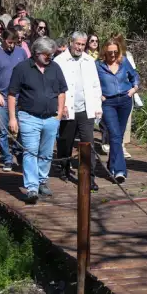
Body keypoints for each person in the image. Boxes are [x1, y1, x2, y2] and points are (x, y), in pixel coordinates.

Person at [8, 37, 67, 204]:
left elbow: (62, 92)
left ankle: (42, 181)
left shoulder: (55, 68)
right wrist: (13, 118)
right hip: (29, 117)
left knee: (46, 153)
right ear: (36, 53)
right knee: (30, 151)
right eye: (47, 55)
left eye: (52, 55)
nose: (50, 58)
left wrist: (59, 113)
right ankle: (32, 187)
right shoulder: (21, 68)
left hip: (51, 117)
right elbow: (12, 94)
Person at [54, 32, 102, 190]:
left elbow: (96, 85)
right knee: (65, 142)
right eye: (78, 44)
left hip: (85, 109)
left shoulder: (89, 61)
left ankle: (90, 178)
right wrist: (61, 106)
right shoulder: (59, 61)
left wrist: (97, 107)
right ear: (71, 42)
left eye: (83, 44)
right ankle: (64, 167)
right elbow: (55, 87)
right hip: (68, 109)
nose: (80, 47)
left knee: (88, 144)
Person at [96, 37, 140, 183]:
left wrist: (134, 89)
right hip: (108, 102)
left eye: (115, 51)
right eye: (110, 52)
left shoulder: (124, 61)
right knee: (114, 135)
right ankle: (120, 171)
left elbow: (135, 76)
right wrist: (98, 95)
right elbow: (92, 82)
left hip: (125, 101)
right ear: (104, 52)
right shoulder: (98, 65)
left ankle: (111, 165)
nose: (113, 55)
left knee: (118, 136)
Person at [0, 28, 28, 171]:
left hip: (19, 97)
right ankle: (7, 158)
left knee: (23, 128)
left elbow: (27, 71)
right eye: (9, 42)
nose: (12, 45)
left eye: (14, 42)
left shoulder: (21, 52)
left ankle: (18, 150)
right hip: (1, 97)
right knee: (2, 129)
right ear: (3, 40)